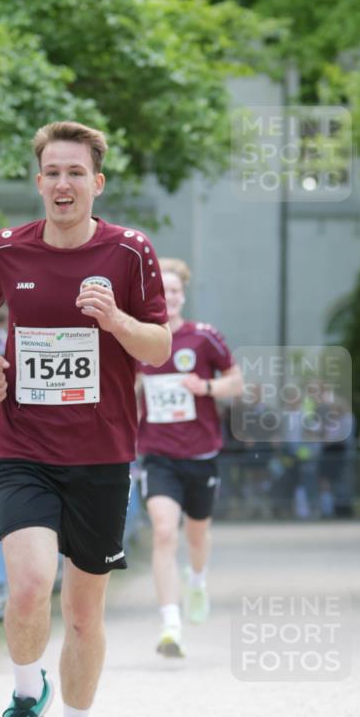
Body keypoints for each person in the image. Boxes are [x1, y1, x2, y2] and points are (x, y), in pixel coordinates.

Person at [0, 120, 170, 717]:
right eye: (52, 172)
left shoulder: (130, 253)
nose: (63, 183)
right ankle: (28, 695)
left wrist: (115, 320)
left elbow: (159, 347)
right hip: (25, 447)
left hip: (103, 457)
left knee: (83, 615)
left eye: (75, 172)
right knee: (29, 586)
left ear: (96, 183)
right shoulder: (6, 249)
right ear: (38, 181)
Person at [136, 258, 243, 658]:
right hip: (157, 453)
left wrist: (207, 387)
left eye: (176, 291)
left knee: (197, 535)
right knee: (164, 532)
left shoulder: (203, 337)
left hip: (200, 453)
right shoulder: (139, 340)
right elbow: (126, 387)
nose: (170, 297)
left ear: (183, 295)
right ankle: (171, 625)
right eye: (162, 291)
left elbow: (236, 381)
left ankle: (197, 581)